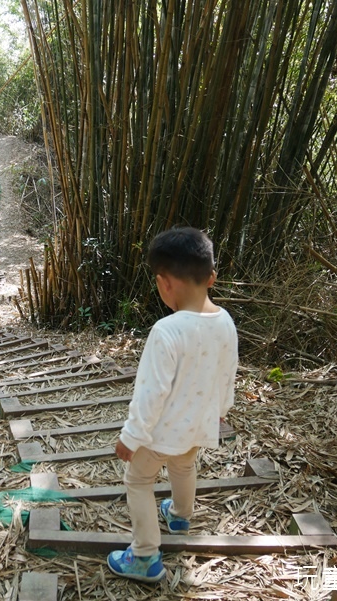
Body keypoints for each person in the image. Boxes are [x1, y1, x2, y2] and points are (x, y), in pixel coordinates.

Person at [106, 227, 238, 583]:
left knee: (138, 481)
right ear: (211, 277)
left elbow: (151, 394)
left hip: (159, 432)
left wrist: (131, 437)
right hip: (199, 424)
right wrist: (220, 411)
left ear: (164, 283)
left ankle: (145, 555)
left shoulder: (167, 330)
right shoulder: (226, 322)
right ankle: (180, 515)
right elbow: (228, 374)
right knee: (184, 466)